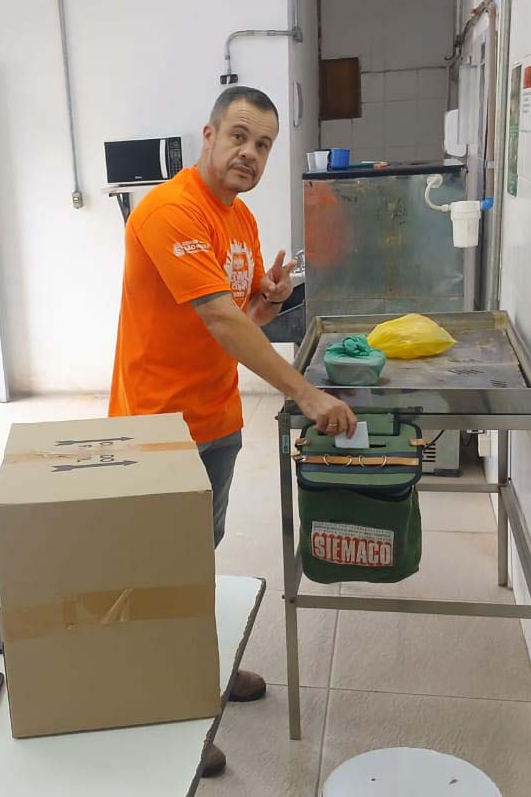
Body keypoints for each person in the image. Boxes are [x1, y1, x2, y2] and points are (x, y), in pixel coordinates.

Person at [108, 86, 358, 777]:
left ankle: (202, 672)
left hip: (214, 420)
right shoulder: (171, 210)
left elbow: (232, 315)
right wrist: (305, 392)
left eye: (263, 144)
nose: (250, 153)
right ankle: (169, 713)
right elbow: (218, 318)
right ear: (209, 135)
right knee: (160, 572)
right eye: (239, 136)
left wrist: (266, 303)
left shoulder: (239, 219)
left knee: (195, 560)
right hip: (158, 429)